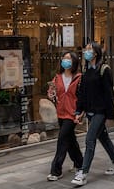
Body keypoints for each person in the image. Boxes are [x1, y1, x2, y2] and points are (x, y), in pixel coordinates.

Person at [71, 42, 114, 186]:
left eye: (89, 49)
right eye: (85, 49)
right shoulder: (86, 70)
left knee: (89, 140)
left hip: (100, 112)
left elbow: (108, 95)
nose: (86, 52)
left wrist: (109, 115)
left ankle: (83, 173)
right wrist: (79, 111)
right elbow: (82, 93)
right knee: (104, 138)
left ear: (96, 53)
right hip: (90, 111)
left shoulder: (104, 69)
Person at [46, 51, 83, 181]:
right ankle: (80, 163)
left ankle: (56, 170)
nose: (65, 61)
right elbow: (51, 93)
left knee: (62, 140)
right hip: (60, 113)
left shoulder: (79, 78)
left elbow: (82, 97)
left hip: (72, 114)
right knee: (70, 140)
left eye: (68, 59)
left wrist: (80, 112)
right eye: (64, 58)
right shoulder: (57, 78)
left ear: (74, 62)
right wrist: (50, 94)